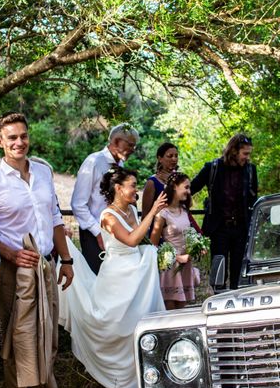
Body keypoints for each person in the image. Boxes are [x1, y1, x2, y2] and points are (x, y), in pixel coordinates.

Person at [0, 112, 78, 388]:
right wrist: (10, 253)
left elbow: (54, 217)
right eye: (12, 138)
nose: (19, 142)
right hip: (14, 272)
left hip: (47, 267)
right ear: (0, 142)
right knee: (18, 339)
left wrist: (66, 259)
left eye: (23, 136)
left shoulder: (43, 171)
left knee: (48, 336)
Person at [63, 166, 167, 388]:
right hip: (117, 279)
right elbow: (130, 239)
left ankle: (141, 381)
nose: (136, 190)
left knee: (136, 327)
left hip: (136, 275)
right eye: (132, 185)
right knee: (115, 330)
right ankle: (117, 385)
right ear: (119, 188)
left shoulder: (131, 209)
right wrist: (153, 211)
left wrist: (158, 227)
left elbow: (142, 241)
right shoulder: (107, 216)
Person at [191, 133, 258, 289]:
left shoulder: (250, 170)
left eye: (249, 154)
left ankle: (237, 301)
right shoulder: (213, 168)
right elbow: (190, 188)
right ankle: (218, 300)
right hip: (219, 228)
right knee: (218, 270)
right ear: (234, 151)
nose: (247, 158)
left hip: (241, 228)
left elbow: (253, 199)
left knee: (239, 271)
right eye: (245, 153)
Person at [71, 123, 139, 274]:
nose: (133, 150)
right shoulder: (93, 162)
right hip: (94, 233)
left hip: (118, 232)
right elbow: (78, 204)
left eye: (134, 146)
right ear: (116, 142)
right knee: (96, 279)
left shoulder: (121, 164)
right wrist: (97, 232)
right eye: (130, 145)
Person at [150, 172, 197, 310]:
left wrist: (196, 248)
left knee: (183, 307)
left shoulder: (183, 210)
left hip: (186, 263)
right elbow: (153, 245)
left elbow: (188, 234)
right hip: (170, 265)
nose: (189, 191)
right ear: (175, 187)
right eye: (186, 187)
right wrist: (176, 257)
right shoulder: (163, 213)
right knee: (171, 309)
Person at [141, 142, 179, 218]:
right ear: (160, 158)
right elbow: (145, 214)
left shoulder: (180, 179)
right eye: (170, 156)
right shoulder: (152, 182)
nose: (174, 159)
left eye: (176, 156)